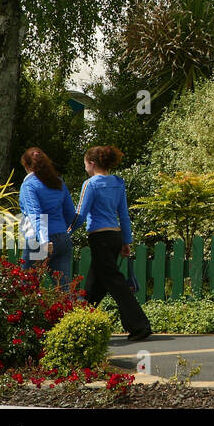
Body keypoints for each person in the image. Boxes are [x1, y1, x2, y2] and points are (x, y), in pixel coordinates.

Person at [75, 145, 152, 341]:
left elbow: (80, 215)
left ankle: (140, 326)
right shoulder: (118, 183)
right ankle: (79, 323)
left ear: (92, 164)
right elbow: (124, 215)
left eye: (85, 164)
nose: (85, 168)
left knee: (115, 283)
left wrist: (65, 232)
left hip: (99, 238)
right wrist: (127, 241)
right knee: (95, 285)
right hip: (115, 237)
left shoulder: (90, 184)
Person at [17, 147, 76, 292]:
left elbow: (35, 215)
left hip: (40, 241)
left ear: (26, 165)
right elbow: (70, 213)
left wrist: (44, 241)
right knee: (64, 290)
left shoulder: (29, 186)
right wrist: (63, 231)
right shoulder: (58, 182)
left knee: (27, 289)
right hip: (62, 238)